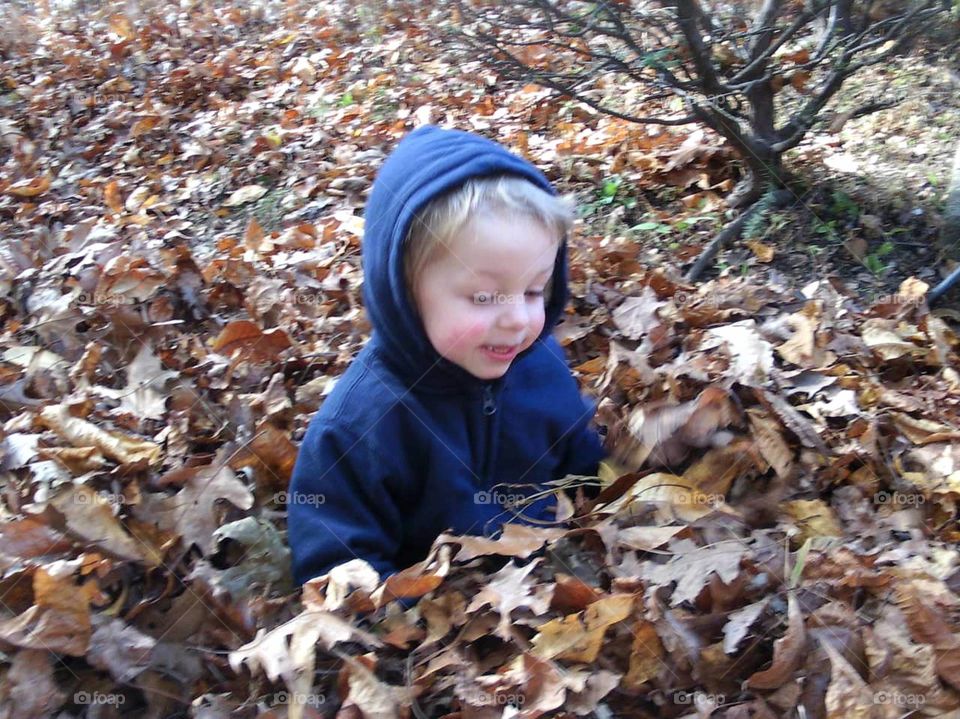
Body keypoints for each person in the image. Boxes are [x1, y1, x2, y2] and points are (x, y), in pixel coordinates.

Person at [287, 124, 606, 586]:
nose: (517, 319)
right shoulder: (357, 427)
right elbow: (336, 571)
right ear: (405, 294)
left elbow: (581, 467)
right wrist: (409, 617)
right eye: (483, 297)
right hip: (438, 625)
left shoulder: (541, 368)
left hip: (545, 594)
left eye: (535, 290)